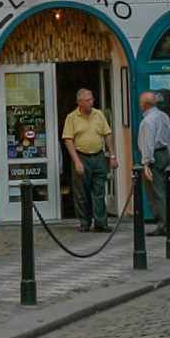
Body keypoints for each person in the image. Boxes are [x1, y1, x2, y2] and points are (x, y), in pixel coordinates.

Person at [62, 86, 115, 231]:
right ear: (79, 102)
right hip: (81, 156)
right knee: (82, 193)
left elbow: (107, 134)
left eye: (92, 99)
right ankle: (85, 222)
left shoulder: (99, 115)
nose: (90, 102)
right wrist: (77, 161)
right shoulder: (72, 118)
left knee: (99, 191)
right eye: (87, 100)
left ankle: (101, 222)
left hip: (98, 156)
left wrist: (112, 155)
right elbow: (68, 140)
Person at [137, 89, 170, 235]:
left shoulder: (148, 121)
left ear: (144, 105)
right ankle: (169, 221)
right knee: (166, 190)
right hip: (165, 153)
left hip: (155, 156)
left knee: (156, 192)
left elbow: (148, 143)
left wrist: (146, 163)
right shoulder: (163, 116)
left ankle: (163, 224)